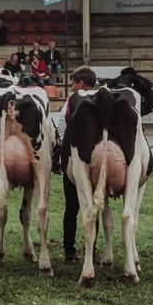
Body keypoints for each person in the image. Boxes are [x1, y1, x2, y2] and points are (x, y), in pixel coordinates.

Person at [59, 67, 97, 263]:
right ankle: (94, 248)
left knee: (72, 206)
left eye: (74, 83)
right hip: (97, 160)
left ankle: (69, 249)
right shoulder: (103, 98)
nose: (72, 87)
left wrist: (59, 154)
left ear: (81, 83)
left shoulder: (73, 100)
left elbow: (61, 125)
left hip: (73, 160)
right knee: (96, 205)